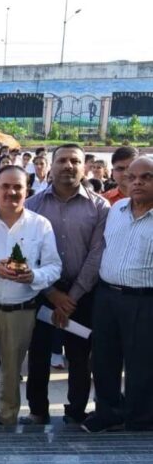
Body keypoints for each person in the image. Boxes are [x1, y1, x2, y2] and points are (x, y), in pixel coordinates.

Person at [0, 165, 62, 426]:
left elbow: (54, 266)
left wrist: (34, 277)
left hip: (21, 308)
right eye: (5, 186)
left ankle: (7, 419)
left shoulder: (40, 225)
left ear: (27, 190)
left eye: (17, 186)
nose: (11, 192)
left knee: (12, 370)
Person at [21, 144, 109, 426]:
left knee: (79, 356)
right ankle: (37, 411)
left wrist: (71, 297)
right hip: (41, 291)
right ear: (51, 164)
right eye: (62, 161)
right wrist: (52, 293)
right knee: (38, 353)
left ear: (84, 166)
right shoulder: (32, 204)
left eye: (75, 161)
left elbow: (97, 253)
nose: (68, 166)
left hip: (83, 293)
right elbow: (27, 253)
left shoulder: (99, 207)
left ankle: (75, 411)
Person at [82, 156, 153, 433]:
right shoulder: (117, 209)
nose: (136, 182)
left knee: (142, 363)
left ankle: (141, 419)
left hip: (144, 301)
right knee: (103, 358)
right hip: (107, 297)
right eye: (131, 176)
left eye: (146, 177)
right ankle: (108, 411)